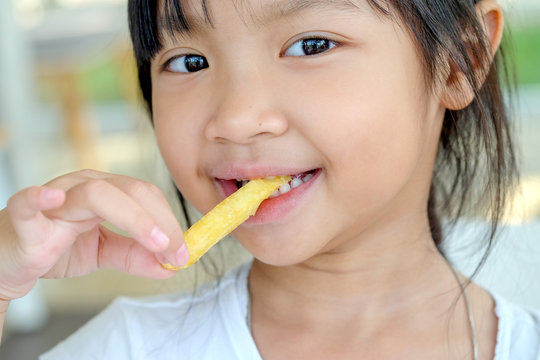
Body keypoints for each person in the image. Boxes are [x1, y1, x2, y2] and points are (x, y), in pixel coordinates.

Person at [1, 0, 539, 358]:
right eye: (188, 61)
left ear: (458, 63)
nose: (234, 118)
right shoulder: (127, 349)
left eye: (311, 45)